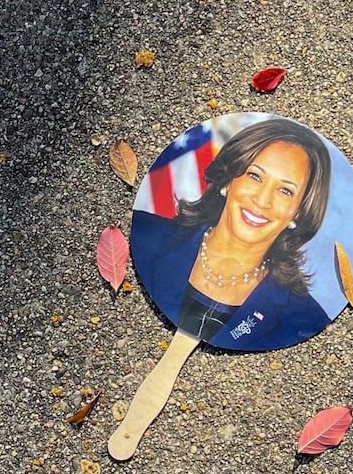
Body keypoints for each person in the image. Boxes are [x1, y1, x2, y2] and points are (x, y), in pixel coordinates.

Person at [131, 118, 333, 350]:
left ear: (298, 213)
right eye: (255, 176)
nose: (262, 200)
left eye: (285, 190)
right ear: (228, 179)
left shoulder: (305, 319)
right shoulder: (143, 235)